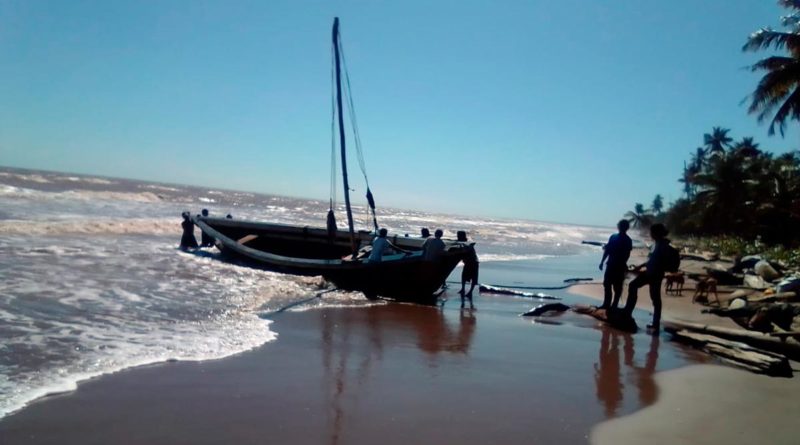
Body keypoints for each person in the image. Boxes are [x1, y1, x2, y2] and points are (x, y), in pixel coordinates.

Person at [623, 223, 671, 332]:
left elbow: (659, 261)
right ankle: (629, 312)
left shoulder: (663, 246)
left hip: (655, 274)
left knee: (654, 298)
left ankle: (654, 323)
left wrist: (645, 268)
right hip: (651, 273)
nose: (650, 234)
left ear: (656, 233)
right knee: (635, 287)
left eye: (651, 232)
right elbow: (651, 260)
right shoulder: (656, 244)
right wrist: (640, 267)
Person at [598, 220, 633, 310]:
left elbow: (627, 254)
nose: (621, 227)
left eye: (622, 226)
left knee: (617, 287)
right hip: (611, 264)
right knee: (607, 284)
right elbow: (607, 250)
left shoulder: (627, 240)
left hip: (619, 266)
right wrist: (602, 261)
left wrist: (622, 263)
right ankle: (606, 304)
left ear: (626, 228)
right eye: (621, 226)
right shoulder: (613, 237)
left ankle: (613, 305)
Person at [457, 230, 479, 308]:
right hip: (468, 262)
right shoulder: (461, 241)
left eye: (458, 235)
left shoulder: (468, 242)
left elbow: (472, 244)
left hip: (473, 262)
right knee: (464, 276)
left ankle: (470, 292)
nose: (457, 237)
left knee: (473, 277)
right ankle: (463, 289)